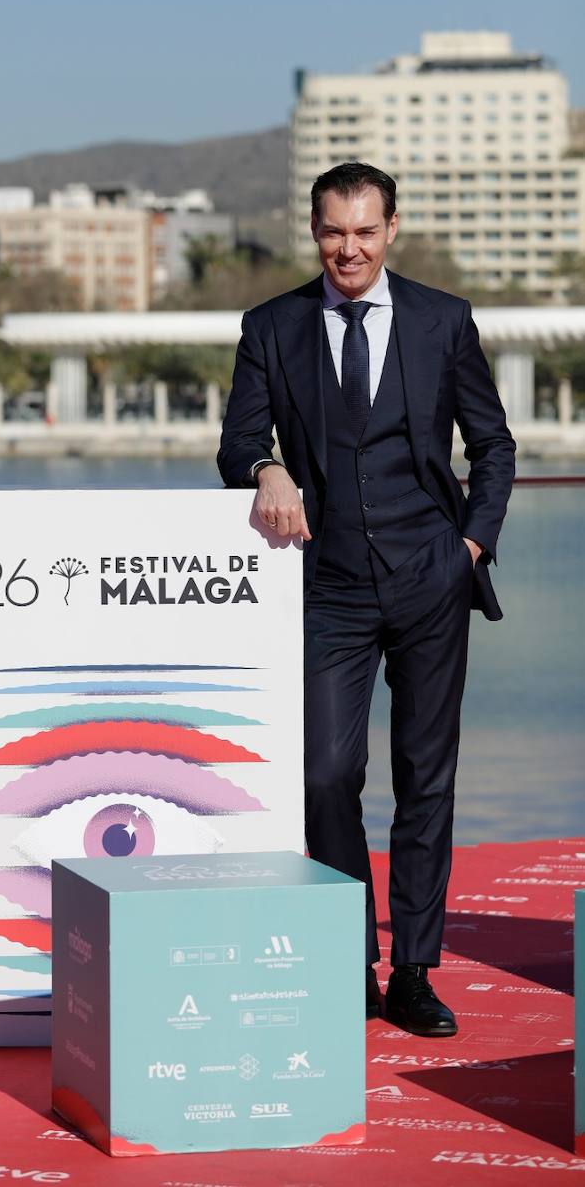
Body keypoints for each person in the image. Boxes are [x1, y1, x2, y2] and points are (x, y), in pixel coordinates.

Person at [218, 163, 514, 1036]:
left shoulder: (442, 321)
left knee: (426, 781)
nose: (348, 248)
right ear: (314, 231)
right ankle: (349, 959)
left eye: (364, 231)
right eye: (332, 232)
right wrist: (267, 467)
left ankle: (416, 972)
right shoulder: (272, 327)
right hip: (329, 586)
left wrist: (471, 545)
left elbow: (492, 444)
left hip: (431, 576)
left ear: (391, 230)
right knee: (324, 775)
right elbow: (239, 440)